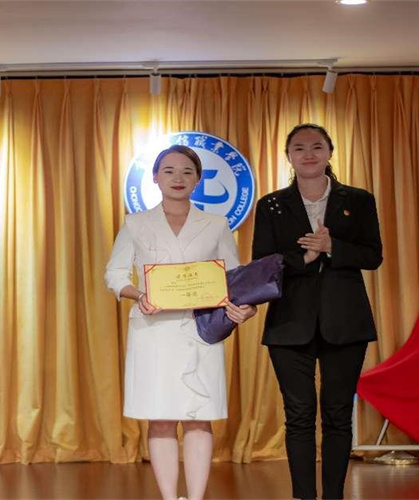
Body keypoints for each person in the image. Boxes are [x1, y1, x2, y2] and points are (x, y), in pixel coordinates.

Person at [105, 145, 257, 500]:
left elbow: (233, 278)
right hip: (153, 331)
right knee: (159, 417)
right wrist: (137, 294)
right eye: (169, 171)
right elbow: (114, 273)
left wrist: (245, 307)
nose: (178, 178)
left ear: (198, 179)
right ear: (155, 178)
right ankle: (169, 497)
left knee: (199, 417)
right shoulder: (135, 223)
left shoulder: (216, 224)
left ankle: (197, 497)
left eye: (187, 171)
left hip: (200, 329)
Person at [252, 124, 383, 500]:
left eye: (316, 146)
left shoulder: (358, 200)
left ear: (329, 152)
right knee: (299, 415)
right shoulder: (272, 205)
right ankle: (303, 496)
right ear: (288, 156)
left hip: (346, 321)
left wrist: (332, 247)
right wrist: (305, 257)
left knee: (338, 414)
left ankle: (334, 495)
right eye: (299, 148)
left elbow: (373, 255)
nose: (308, 154)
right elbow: (263, 263)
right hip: (289, 322)